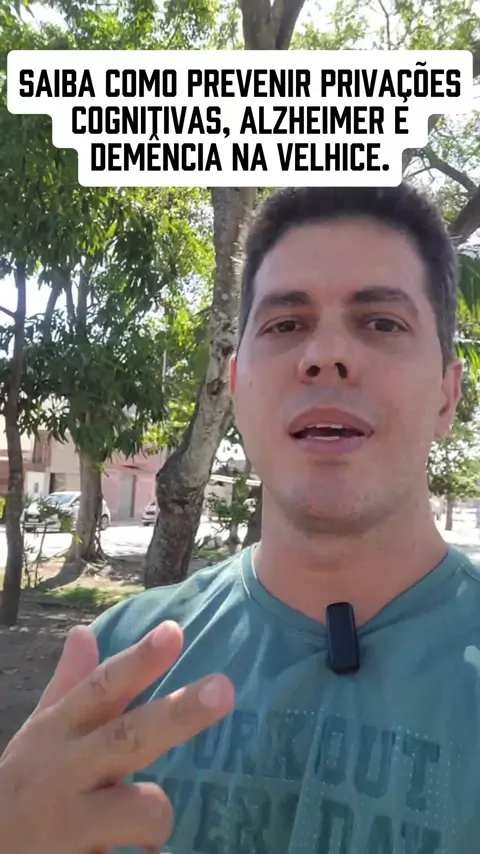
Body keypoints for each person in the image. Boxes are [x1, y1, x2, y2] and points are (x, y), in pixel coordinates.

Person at [1, 183, 479, 854]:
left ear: (447, 396)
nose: (325, 355)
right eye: (286, 325)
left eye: (381, 323)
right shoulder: (118, 666)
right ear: (234, 386)